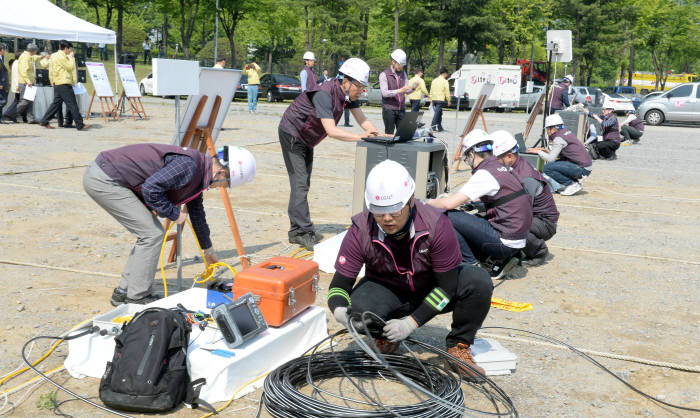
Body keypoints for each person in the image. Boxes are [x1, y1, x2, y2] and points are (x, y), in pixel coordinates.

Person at [328, 160, 492, 377]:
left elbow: (447, 288)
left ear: (411, 201)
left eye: (395, 210)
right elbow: (339, 285)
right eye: (379, 211)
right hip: (388, 287)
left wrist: (410, 323)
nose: (387, 219)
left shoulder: (437, 225)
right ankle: (385, 336)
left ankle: (458, 346)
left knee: (477, 281)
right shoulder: (361, 229)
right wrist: (339, 310)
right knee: (358, 310)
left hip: (432, 287)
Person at [83, 144, 255, 305]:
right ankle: (137, 297)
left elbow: (197, 216)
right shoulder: (190, 166)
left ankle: (123, 291)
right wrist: (174, 214)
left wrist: (208, 251)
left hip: (108, 175)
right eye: (226, 184)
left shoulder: (200, 172)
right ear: (222, 173)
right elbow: (150, 189)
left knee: (149, 233)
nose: (221, 187)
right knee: (152, 234)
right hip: (106, 179)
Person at [278, 58, 382, 250]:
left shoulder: (347, 95)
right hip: (292, 134)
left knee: (302, 183)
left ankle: (297, 230)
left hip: (307, 138)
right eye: (359, 86)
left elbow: (363, 119)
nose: (361, 91)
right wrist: (360, 137)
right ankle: (302, 232)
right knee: (300, 183)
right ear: (346, 81)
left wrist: (382, 136)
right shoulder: (324, 94)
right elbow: (332, 130)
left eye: (363, 87)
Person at [428, 129, 532, 267]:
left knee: (446, 216)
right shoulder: (502, 167)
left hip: (505, 243)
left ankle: (470, 263)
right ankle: (488, 258)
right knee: (467, 219)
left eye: (467, 158)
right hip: (519, 239)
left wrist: (422, 202)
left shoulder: (485, 173)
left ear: (472, 154)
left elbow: (448, 204)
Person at [491, 131, 559, 266]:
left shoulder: (525, 177)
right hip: (534, 216)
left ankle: (539, 252)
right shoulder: (515, 165)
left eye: (495, 159)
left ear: (509, 156)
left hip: (545, 222)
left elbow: (520, 210)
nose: (492, 163)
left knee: (512, 223)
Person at [527, 114, 592, 196]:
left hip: (582, 168)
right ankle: (574, 183)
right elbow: (562, 152)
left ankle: (571, 184)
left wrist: (538, 152)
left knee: (548, 168)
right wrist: (547, 151)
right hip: (584, 165)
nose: (547, 132)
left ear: (553, 128)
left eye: (547, 129)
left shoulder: (558, 138)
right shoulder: (565, 133)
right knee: (556, 164)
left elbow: (550, 159)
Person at [39, 40, 89, 131]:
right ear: (65, 48)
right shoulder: (62, 56)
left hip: (58, 83)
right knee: (72, 104)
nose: (70, 51)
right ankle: (80, 124)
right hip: (64, 82)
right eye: (69, 49)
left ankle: (44, 120)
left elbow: (45, 64)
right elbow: (70, 67)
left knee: (55, 104)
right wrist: (71, 58)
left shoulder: (54, 55)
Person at [6, 44, 48, 124]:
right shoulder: (25, 57)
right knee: (25, 101)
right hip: (25, 82)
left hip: (27, 82)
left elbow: (35, 57)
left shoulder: (29, 56)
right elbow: (23, 71)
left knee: (30, 100)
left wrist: (41, 56)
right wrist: (28, 81)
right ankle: (10, 114)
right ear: (33, 51)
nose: (36, 53)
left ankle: (30, 118)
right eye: (36, 51)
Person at [379, 49, 414, 134]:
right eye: (399, 64)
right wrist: (400, 90)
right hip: (389, 109)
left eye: (402, 65)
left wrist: (413, 88)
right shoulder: (384, 74)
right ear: (393, 62)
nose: (401, 67)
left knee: (402, 133)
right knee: (389, 133)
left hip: (401, 108)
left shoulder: (403, 74)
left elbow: (406, 91)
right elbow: (385, 93)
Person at [429, 67, 450, 132]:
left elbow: (431, 90)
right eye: (446, 74)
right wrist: (449, 100)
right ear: (444, 74)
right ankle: (433, 127)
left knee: (439, 113)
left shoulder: (434, 80)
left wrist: (431, 99)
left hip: (434, 99)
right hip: (440, 99)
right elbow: (447, 91)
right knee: (437, 113)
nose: (446, 75)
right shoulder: (445, 81)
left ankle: (439, 127)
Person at [3, 58, 19, 122]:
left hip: (13, 87)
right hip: (13, 87)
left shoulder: (12, 68)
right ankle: (8, 114)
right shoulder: (14, 67)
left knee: (17, 101)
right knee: (17, 101)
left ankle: (11, 115)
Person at [0, 43, 8, 122]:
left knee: (2, 101)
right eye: (5, 49)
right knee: (2, 101)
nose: (5, 51)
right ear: (1, 50)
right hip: (1, 84)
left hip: (3, 83)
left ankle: (0, 118)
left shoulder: (2, 58)